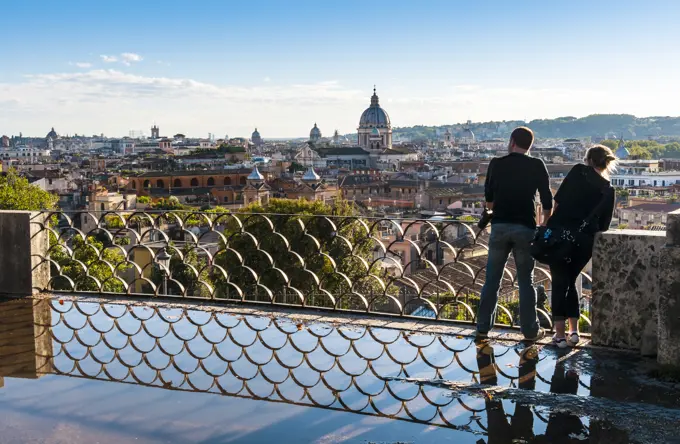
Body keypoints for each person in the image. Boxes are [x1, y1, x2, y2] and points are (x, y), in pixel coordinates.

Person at [476, 127, 553, 341]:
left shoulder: (496, 164)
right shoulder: (537, 164)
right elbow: (547, 199)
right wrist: (544, 223)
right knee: (525, 281)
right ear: (530, 145)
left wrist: (492, 210)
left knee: (492, 278)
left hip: (499, 226)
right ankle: (530, 331)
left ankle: (482, 327)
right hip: (525, 227)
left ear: (511, 142)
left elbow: (489, 198)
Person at [546, 145, 616, 348]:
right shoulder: (608, 189)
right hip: (584, 240)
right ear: (606, 163)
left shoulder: (577, 171)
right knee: (571, 281)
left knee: (560, 282)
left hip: (560, 235)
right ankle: (574, 331)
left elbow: (557, 201)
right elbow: (604, 225)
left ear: (589, 160)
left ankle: (560, 335)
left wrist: (553, 223)